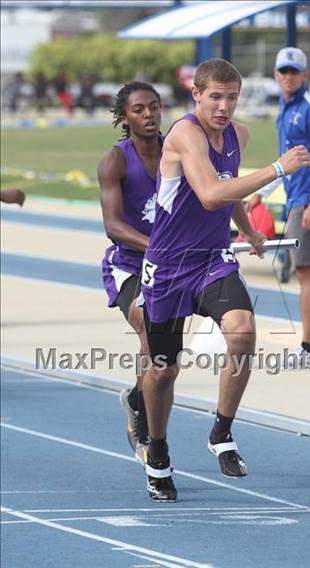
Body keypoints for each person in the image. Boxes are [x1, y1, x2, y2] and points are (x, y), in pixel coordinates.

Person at [140, 58, 310, 502]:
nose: (223, 107)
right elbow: (211, 193)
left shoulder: (238, 134)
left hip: (213, 259)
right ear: (196, 95)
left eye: (231, 98)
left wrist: (249, 230)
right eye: (215, 97)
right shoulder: (183, 134)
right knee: (163, 370)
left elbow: (228, 184)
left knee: (243, 330)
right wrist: (277, 169)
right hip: (170, 266)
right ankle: (157, 451)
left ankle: (221, 432)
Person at [248, 47, 310, 369]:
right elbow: (286, 161)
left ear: (305, 74)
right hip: (296, 196)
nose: (288, 77)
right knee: (308, 271)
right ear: (275, 75)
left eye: (293, 71)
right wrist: (263, 191)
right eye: (283, 71)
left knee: (307, 271)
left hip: (308, 199)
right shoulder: (285, 110)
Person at [98, 81, 163, 465]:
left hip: (173, 264)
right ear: (126, 117)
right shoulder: (115, 160)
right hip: (128, 264)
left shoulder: (178, 149)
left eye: (154, 106)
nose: (149, 114)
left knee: (165, 357)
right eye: (139, 109)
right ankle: (142, 421)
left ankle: (137, 398)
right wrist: (153, 245)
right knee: (150, 329)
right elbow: (113, 225)